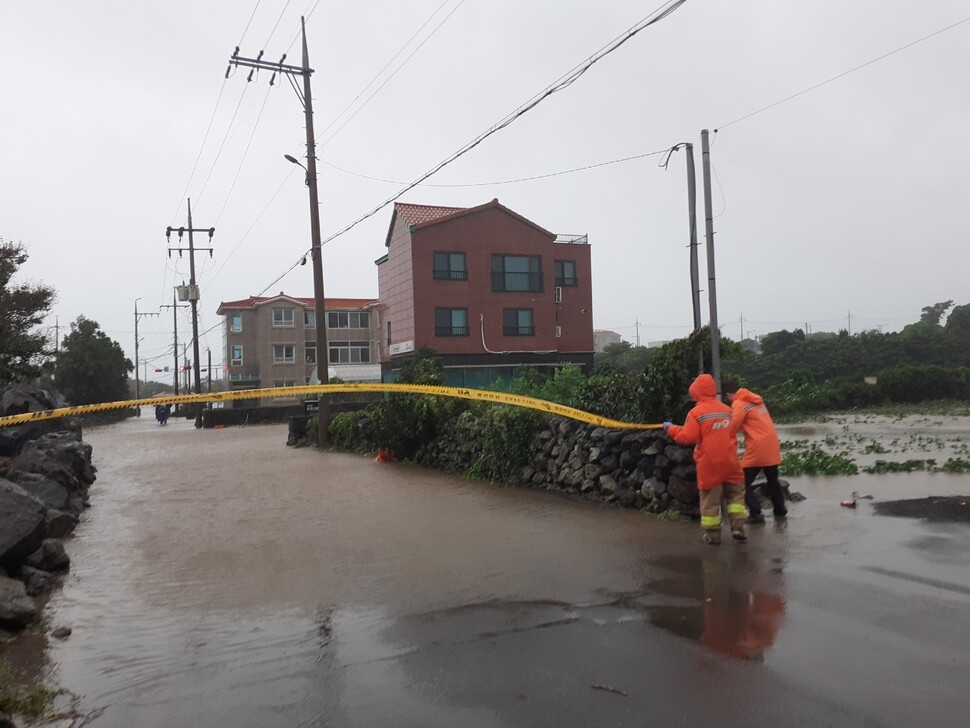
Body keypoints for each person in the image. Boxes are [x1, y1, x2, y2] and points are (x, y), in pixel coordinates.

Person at [664, 373, 747, 545]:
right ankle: (738, 527)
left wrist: (670, 429)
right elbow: (734, 431)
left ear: (695, 392)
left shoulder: (696, 412)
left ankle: (713, 535)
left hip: (710, 464)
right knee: (736, 496)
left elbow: (688, 436)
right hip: (731, 462)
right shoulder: (727, 409)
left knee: (710, 502)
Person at [723, 383, 787, 524]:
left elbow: (733, 427)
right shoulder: (755, 400)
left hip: (758, 447)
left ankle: (755, 513)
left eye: (727, 397)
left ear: (729, 394)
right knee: (773, 480)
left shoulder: (739, 403)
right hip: (771, 445)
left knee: (740, 482)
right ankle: (780, 511)